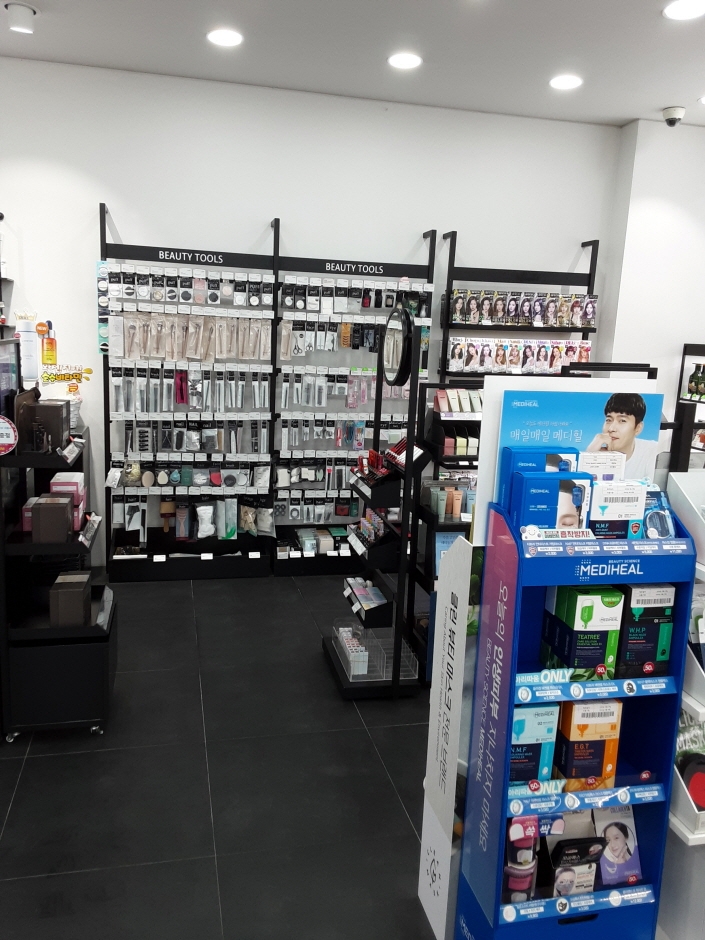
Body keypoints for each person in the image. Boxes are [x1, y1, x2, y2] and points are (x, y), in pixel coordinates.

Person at [586, 392, 660, 480]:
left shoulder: (652, 452)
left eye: (622, 421)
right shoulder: (596, 452)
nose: (611, 428)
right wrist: (589, 456)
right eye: (608, 420)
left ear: (638, 428)